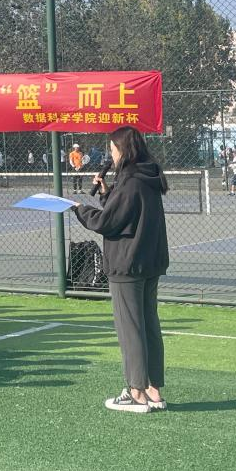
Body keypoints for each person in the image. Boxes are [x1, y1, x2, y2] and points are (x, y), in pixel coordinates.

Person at [71, 126, 170, 413]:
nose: (111, 154)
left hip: (128, 263)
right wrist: (106, 194)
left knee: (131, 328)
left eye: (113, 149)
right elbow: (125, 214)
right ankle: (153, 390)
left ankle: (136, 392)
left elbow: (107, 222)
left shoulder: (130, 181)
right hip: (150, 260)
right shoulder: (147, 176)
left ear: (124, 150)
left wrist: (79, 208)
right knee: (149, 324)